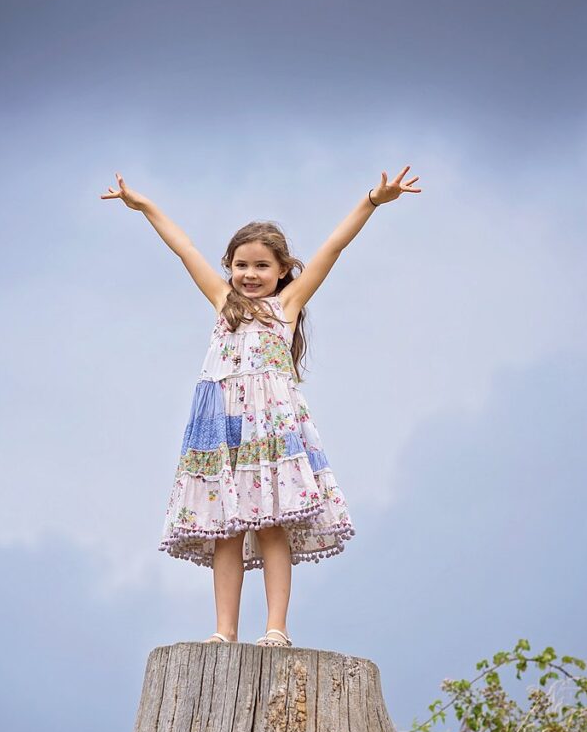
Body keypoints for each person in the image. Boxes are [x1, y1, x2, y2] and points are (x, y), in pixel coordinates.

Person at [100, 167, 421, 647]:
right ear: (229, 266)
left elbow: (334, 246)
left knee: (273, 526)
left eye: (261, 267)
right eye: (241, 265)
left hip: (269, 431)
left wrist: (373, 199)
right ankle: (224, 630)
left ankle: (276, 627)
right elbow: (183, 247)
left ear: (282, 271)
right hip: (223, 432)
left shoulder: (286, 306)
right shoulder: (221, 302)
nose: (250, 275)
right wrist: (146, 208)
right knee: (225, 530)